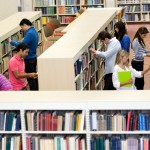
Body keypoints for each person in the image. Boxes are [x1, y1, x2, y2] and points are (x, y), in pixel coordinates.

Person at [8, 18, 38, 90]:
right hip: (34, 56)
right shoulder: (34, 31)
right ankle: (37, 91)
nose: (22, 29)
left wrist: (11, 41)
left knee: (31, 79)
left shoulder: (29, 33)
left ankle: (34, 93)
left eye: (22, 27)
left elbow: (22, 45)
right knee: (34, 77)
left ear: (24, 25)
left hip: (29, 58)